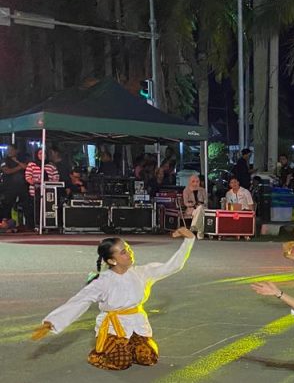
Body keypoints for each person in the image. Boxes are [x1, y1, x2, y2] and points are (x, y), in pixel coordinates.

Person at [31, 228, 196, 370]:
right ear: (112, 260)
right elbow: (79, 301)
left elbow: (172, 266)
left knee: (148, 358)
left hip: (137, 324)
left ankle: (129, 346)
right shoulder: (102, 281)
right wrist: (53, 321)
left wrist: (188, 240)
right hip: (112, 327)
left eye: (128, 248)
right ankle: (98, 355)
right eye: (123, 252)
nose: (129, 253)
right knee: (121, 362)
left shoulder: (142, 272)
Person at [0, 145, 32, 229]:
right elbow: (6, 171)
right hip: (9, 188)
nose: (9, 151)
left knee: (26, 205)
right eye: (8, 150)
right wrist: (19, 167)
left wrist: (17, 162)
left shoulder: (22, 159)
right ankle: (6, 224)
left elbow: (26, 167)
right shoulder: (4, 160)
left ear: (16, 150)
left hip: (22, 187)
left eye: (11, 150)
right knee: (7, 205)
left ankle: (29, 225)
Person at [182, 174, 208, 239]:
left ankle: (193, 226)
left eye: (197, 181)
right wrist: (193, 204)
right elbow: (185, 203)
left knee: (200, 208)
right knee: (199, 212)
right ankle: (200, 232)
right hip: (191, 209)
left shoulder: (203, 190)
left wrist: (200, 204)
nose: (195, 183)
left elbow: (206, 201)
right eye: (193, 181)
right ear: (189, 182)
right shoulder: (186, 190)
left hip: (202, 208)